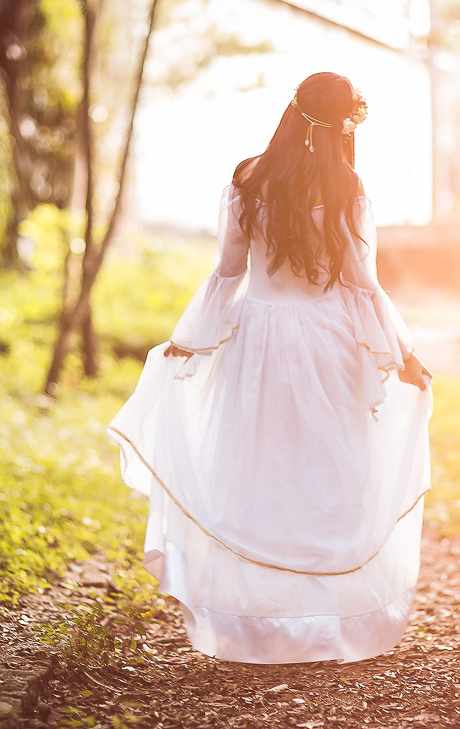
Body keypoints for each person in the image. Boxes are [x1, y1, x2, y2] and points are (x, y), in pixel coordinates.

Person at [106, 72, 433, 665]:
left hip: (259, 336)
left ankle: (256, 627)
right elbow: (363, 283)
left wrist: (193, 338)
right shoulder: (346, 185)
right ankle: (324, 623)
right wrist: (401, 353)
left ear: (292, 109)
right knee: (334, 467)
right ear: (342, 124)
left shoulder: (248, 179)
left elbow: (228, 271)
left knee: (257, 466)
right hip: (328, 338)